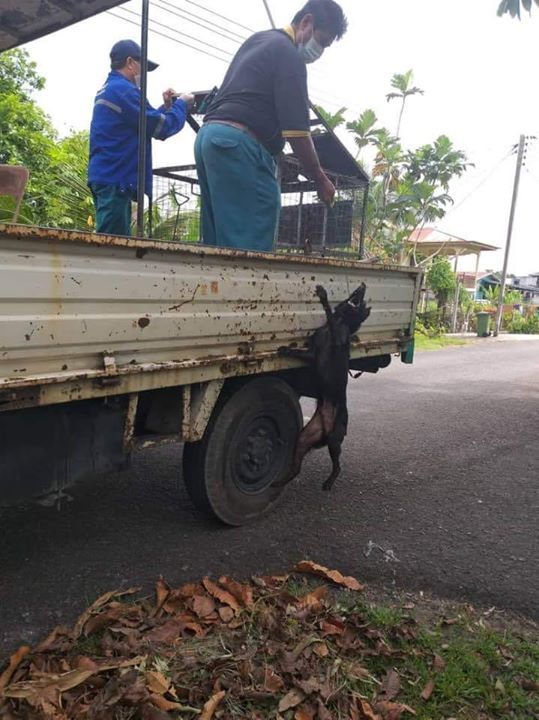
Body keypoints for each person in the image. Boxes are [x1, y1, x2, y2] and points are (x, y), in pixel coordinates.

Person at [194, 0, 347, 253]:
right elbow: (297, 133)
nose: (319, 50)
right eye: (322, 41)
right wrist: (319, 178)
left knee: (218, 244)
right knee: (249, 245)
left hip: (209, 138)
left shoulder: (259, 40)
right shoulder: (289, 55)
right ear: (306, 22)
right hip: (238, 146)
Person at [88, 39, 194, 236]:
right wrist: (181, 105)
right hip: (116, 180)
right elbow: (161, 128)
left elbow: (144, 122)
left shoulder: (111, 89)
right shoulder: (125, 91)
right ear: (130, 62)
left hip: (109, 177)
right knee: (113, 246)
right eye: (142, 67)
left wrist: (167, 107)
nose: (142, 73)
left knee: (112, 240)